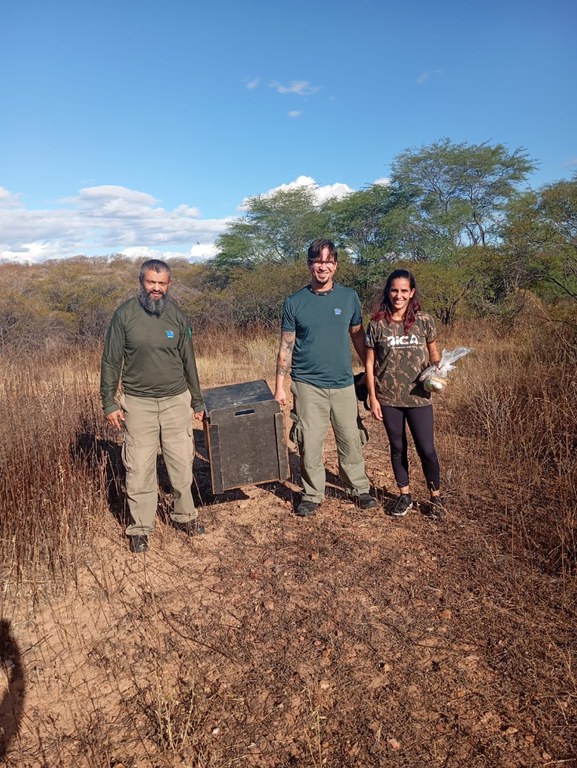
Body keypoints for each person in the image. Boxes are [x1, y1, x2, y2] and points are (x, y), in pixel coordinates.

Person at [100, 259, 205, 553]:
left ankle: (185, 516)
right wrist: (109, 402)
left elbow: (189, 361)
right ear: (141, 282)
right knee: (139, 468)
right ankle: (140, 528)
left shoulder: (177, 316)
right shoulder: (124, 315)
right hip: (138, 404)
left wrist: (197, 400)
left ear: (169, 285)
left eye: (161, 283)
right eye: (151, 282)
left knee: (181, 463)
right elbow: (110, 361)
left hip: (176, 401)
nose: (156, 288)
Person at [274, 238, 377, 517]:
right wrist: (280, 388)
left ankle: (359, 489)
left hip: (343, 383)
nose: (323, 266)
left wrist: (371, 369)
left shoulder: (349, 297)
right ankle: (311, 494)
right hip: (307, 384)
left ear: (336, 264)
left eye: (328, 261)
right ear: (309, 264)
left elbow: (357, 334)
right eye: (317, 261)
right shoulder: (294, 302)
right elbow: (286, 345)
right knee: (309, 441)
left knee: (351, 438)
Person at [365, 268, 445, 518]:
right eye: (393, 290)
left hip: (419, 396)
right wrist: (373, 397)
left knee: (426, 449)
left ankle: (436, 498)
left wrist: (438, 373)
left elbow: (434, 355)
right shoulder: (377, 324)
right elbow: (369, 363)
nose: (398, 296)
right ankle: (405, 495)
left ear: (412, 293)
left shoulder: (424, 321)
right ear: (387, 292)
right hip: (389, 398)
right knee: (398, 447)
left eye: (403, 291)